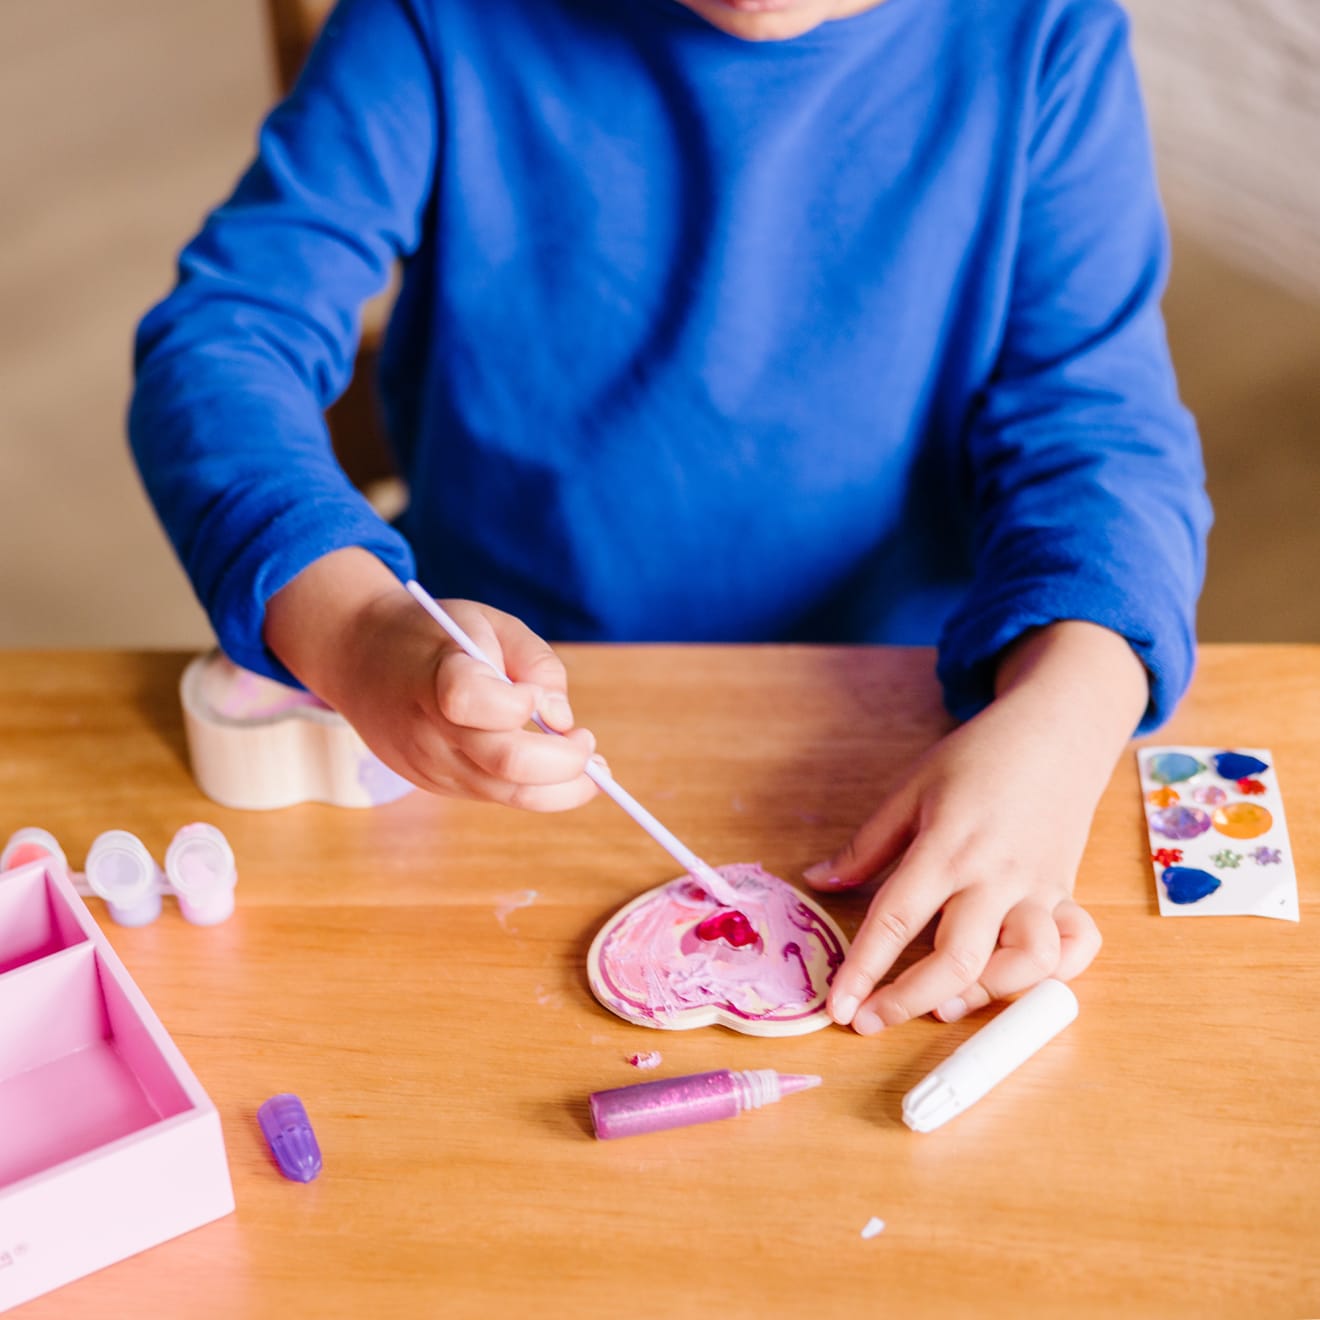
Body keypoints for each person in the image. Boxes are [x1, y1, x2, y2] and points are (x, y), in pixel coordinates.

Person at [129, 0, 1211, 1036]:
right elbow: (223, 338)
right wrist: (355, 633)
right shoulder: (436, 17)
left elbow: (1101, 435)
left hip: (904, 728)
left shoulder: (1047, 37)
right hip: (489, 715)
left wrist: (1068, 716)